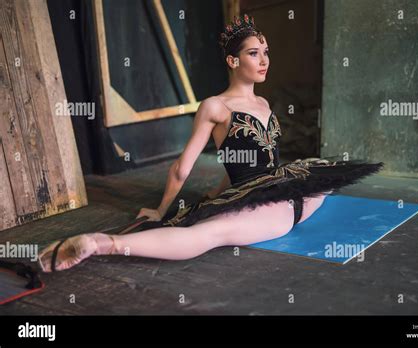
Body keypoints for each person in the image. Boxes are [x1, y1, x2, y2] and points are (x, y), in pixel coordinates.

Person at [38, 14, 383, 272]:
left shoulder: (264, 104)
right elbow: (181, 168)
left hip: (285, 189)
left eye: (265, 52)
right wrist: (161, 211)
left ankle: (107, 243)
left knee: (325, 176)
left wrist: (220, 192)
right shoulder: (215, 107)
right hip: (271, 209)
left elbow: (244, 157)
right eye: (253, 53)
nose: (264, 60)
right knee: (209, 234)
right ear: (233, 61)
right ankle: (102, 244)